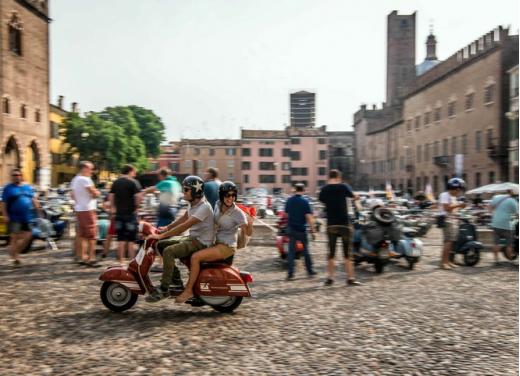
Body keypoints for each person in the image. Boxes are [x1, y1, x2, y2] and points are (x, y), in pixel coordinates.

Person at [175, 181, 254, 303]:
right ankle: (197, 287)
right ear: (222, 195)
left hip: (226, 246)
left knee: (195, 258)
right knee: (189, 253)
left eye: (233, 195)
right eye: (227, 195)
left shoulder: (238, 213)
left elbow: (248, 233)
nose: (230, 198)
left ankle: (189, 290)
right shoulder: (217, 205)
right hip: (216, 243)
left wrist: (250, 223)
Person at [146, 175, 215, 302]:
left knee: (169, 251)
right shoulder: (194, 203)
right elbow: (183, 218)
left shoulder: (204, 207)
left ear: (195, 191)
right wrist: (166, 228)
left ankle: (164, 289)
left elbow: (185, 226)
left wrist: (160, 235)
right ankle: (176, 281)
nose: (183, 192)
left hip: (201, 243)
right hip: (193, 239)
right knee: (160, 245)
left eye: (186, 190)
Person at [318, 169, 361, 286]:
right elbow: (353, 197)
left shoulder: (324, 189)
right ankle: (350, 278)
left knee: (331, 253)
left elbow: (321, 200)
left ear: (329, 178)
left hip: (331, 224)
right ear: (339, 178)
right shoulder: (344, 187)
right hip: (344, 224)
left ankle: (330, 278)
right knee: (347, 253)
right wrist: (356, 198)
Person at [2, 169, 41, 267]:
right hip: (14, 217)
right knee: (14, 237)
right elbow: (3, 203)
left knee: (28, 236)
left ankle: (15, 252)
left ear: (21, 176)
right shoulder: (8, 188)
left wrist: (38, 209)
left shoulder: (27, 187)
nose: (17, 176)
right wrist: (5, 215)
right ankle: (16, 258)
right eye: (14, 175)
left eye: (18, 175)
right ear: (12, 177)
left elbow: (33, 199)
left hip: (27, 217)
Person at [109, 164, 143, 264]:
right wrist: (136, 207)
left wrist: (113, 208)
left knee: (120, 240)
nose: (135, 174)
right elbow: (138, 197)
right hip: (130, 214)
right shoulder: (133, 182)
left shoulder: (116, 182)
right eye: (134, 172)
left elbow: (111, 196)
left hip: (118, 215)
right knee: (131, 241)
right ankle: (132, 264)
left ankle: (121, 263)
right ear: (130, 171)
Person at [284, 183, 317, 280]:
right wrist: (313, 230)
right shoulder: (305, 201)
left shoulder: (289, 200)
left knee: (291, 252)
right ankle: (310, 271)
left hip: (291, 229)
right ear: (303, 190)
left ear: (295, 190)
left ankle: (290, 274)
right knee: (305, 251)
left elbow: (286, 214)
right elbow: (309, 217)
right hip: (301, 229)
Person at [70, 161, 100, 266]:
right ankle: (91, 258)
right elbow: (94, 193)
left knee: (82, 235)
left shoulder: (75, 179)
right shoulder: (85, 179)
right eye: (90, 169)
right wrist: (96, 192)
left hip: (79, 209)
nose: (92, 171)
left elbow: (72, 195)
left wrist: (79, 201)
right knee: (92, 235)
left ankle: (82, 257)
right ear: (84, 169)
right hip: (88, 209)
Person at [438, 177, 466, 270]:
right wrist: (459, 205)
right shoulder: (445, 195)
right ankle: (443, 263)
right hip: (447, 220)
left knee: (451, 242)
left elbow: (454, 208)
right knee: (448, 242)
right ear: (455, 187)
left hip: (453, 220)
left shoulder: (453, 196)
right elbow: (447, 208)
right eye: (459, 189)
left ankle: (448, 261)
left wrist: (460, 207)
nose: (459, 191)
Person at [490, 188, 519, 264]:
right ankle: (510, 259)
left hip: (495, 223)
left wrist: (494, 215)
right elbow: (517, 214)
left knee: (496, 243)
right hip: (506, 225)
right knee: (509, 244)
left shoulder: (497, 197)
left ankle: (496, 260)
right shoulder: (513, 201)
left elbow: (490, 207)